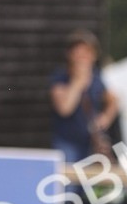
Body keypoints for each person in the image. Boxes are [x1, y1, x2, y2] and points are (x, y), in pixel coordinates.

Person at [49, 29, 120, 164]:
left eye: (86, 53)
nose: (82, 58)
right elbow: (64, 108)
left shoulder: (97, 78)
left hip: (90, 145)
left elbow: (114, 100)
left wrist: (105, 118)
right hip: (67, 143)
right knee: (67, 175)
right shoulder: (60, 78)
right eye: (78, 53)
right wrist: (77, 83)